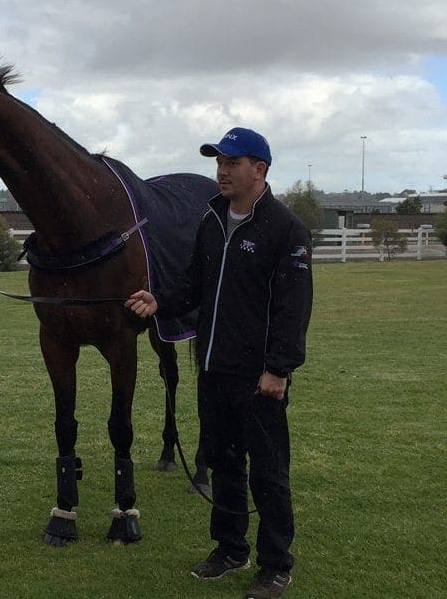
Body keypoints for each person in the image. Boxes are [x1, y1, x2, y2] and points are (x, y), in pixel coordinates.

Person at [126, 128, 312, 599]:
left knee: (268, 472)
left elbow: (294, 308)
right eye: (218, 162)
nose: (222, 171)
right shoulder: (211, 222)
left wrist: (278, 369)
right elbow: (193, 287)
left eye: (232, 162)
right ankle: (230, 550)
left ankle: (275, 566)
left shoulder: (287, 230)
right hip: (212, 370)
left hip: (259, 378)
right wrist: (159, 300)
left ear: (260, 169)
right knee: (226, 465)